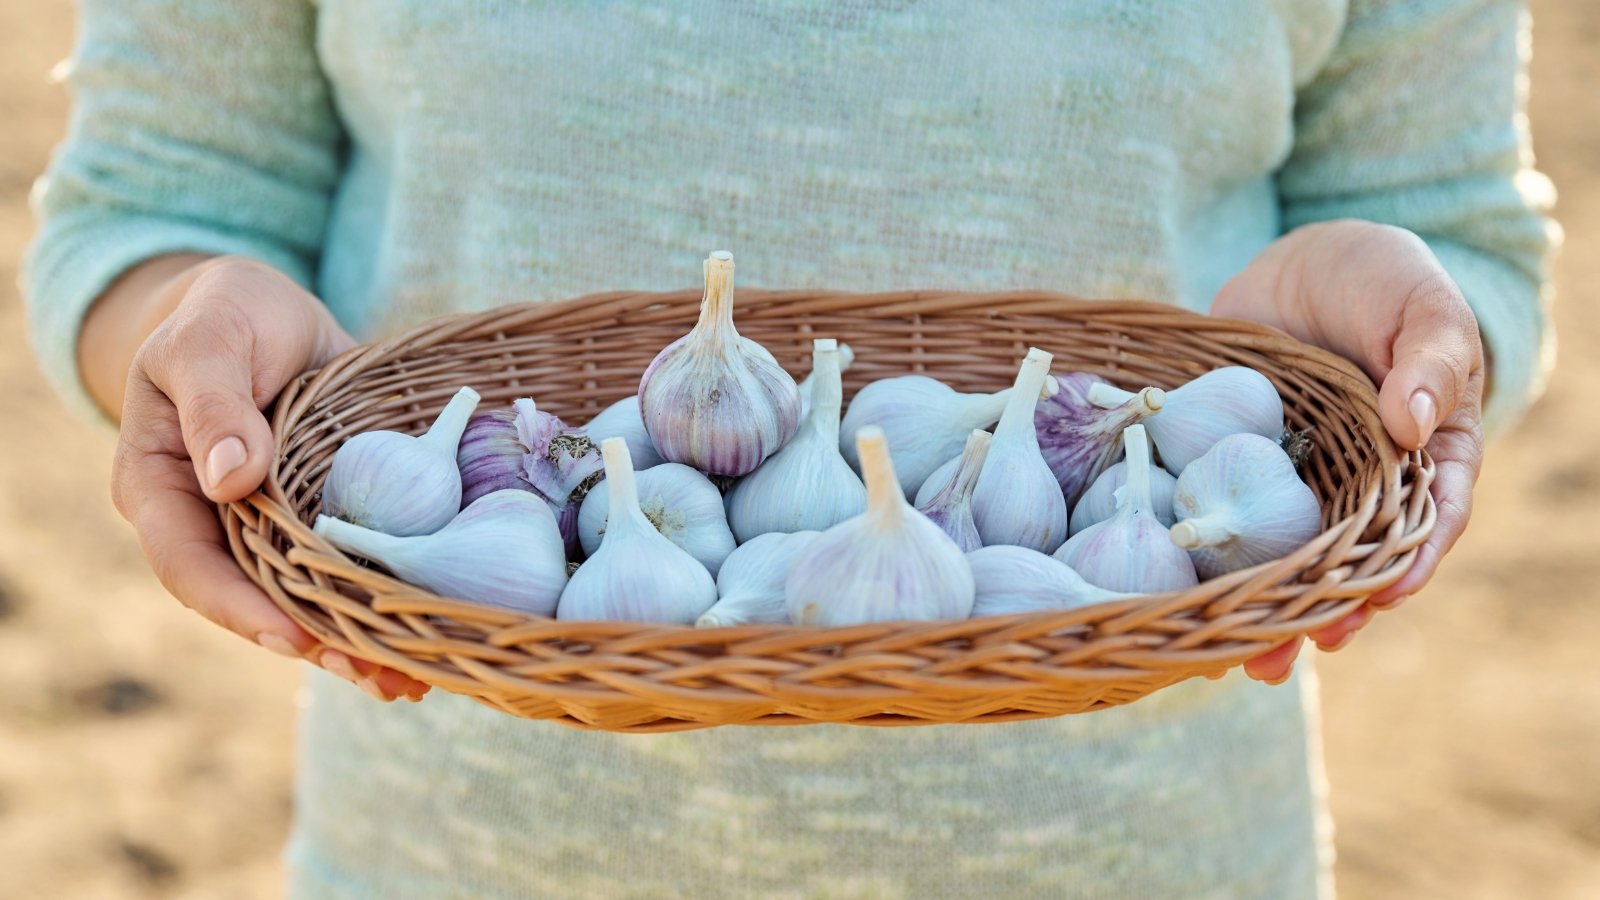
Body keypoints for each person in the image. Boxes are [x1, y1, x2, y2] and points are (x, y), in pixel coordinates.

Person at [24, 2, 1554, 897]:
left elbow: (1455, 224)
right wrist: (185, 320)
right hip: (463, 855)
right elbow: (165, 202)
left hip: (1145, 855)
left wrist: (1399, 347)